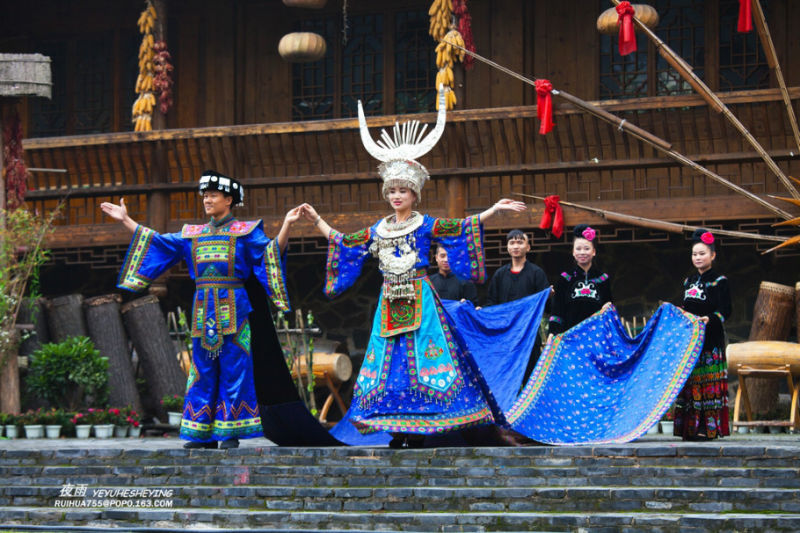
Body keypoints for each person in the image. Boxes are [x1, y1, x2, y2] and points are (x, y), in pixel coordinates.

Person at [300, 88, 526, 447]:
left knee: (423, 358)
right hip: (390, 298)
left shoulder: (423, 225)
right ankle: (398, 430)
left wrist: (492, 212)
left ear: (415, 194)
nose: (397, 196)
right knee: (390, 364)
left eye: (403, 190)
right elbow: (347, 243)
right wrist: (317, 222)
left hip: (420, 295)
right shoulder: (379, 228)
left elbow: (459, 227)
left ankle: (425, 427)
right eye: (392, 190)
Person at [101, 170, 302, 449]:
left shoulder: (245, 232)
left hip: (235, 311)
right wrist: (126, 220)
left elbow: (270, 254)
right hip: (202, 311)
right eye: (205, 196)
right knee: (201, 371)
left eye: (213, 195)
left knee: (234, 369)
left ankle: (229, 432)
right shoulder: (192, 234)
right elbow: (157, 241)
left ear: (228, 200)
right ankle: (200, 433)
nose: (207, 200)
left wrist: (287, 226)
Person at [673, 229, 731, 440]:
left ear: (712, 255)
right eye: (695, 254)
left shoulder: (719, 281)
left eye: (702, 253)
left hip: (710, 343)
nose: (698, 257)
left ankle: (707, 428)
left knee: (707, 386)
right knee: (691, 385)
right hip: (691, 344)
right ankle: (689, 427)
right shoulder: (688, 282)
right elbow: (687, 306)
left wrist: (709, 319)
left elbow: (725, 311)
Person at [485, 229, 550, 383]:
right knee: (506, 379)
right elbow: (492, 302)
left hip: (529, 334)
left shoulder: (536, 273)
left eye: (520, 242)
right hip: (506, 335)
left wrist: (549, 296)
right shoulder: (500, 275)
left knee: (531, 379)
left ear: (528, 247)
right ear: (507, 247)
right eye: (512, 243)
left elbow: (546, 306)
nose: (516, 246)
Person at [548, 224, 612, 338]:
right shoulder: (565, 278)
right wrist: (553, 332)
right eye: (578, 248)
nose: (582, 252)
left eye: (587, 248)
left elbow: (608, 309)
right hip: (569, 337)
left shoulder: (603, 279)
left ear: (594, 252)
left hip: (596, 337)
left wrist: (608, 307)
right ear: (573, 252)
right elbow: (557, 310)